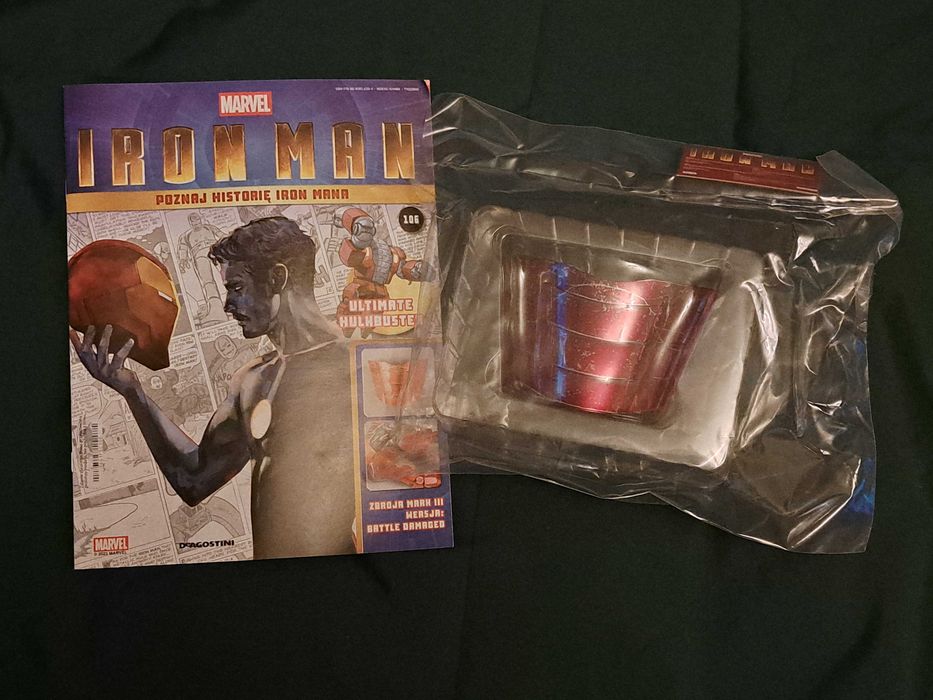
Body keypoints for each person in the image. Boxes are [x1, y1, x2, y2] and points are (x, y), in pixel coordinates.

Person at [70, 216, 355, 559]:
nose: (227, 305)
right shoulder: (253, 380)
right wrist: (132, 391)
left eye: (236, 288)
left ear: (277, 278)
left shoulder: (361, 364)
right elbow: (194, 481)